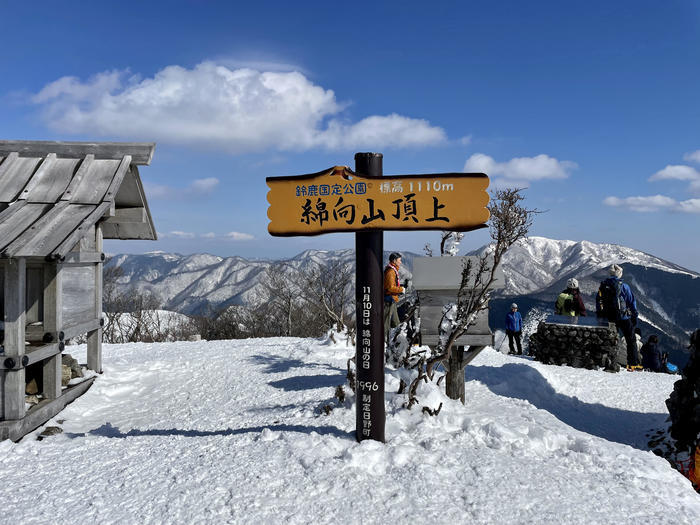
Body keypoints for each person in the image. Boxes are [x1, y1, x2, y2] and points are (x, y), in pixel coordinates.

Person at [596, 264, 640, 368]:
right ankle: (632, 363)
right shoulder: (624, 286)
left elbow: (598, 301)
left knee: (611, 340)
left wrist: (600, 314)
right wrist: (634, 314)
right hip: (623, 317)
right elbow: (631, 301)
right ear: (619, 274)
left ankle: (609, 362)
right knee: (631, 339)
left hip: (609, 317)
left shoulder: (603, 285)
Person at [383, 252, 405, 340]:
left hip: (392, 299)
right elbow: (390, 288)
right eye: (399, 260)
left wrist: (400, 287)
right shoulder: (391, 271)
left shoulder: (392, 270)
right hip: (389, 300)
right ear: (394, 261)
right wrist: (401, 289)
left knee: (396, 323)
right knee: (386, 323)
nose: (400, 262)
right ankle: (384, 342)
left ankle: (393, 341)